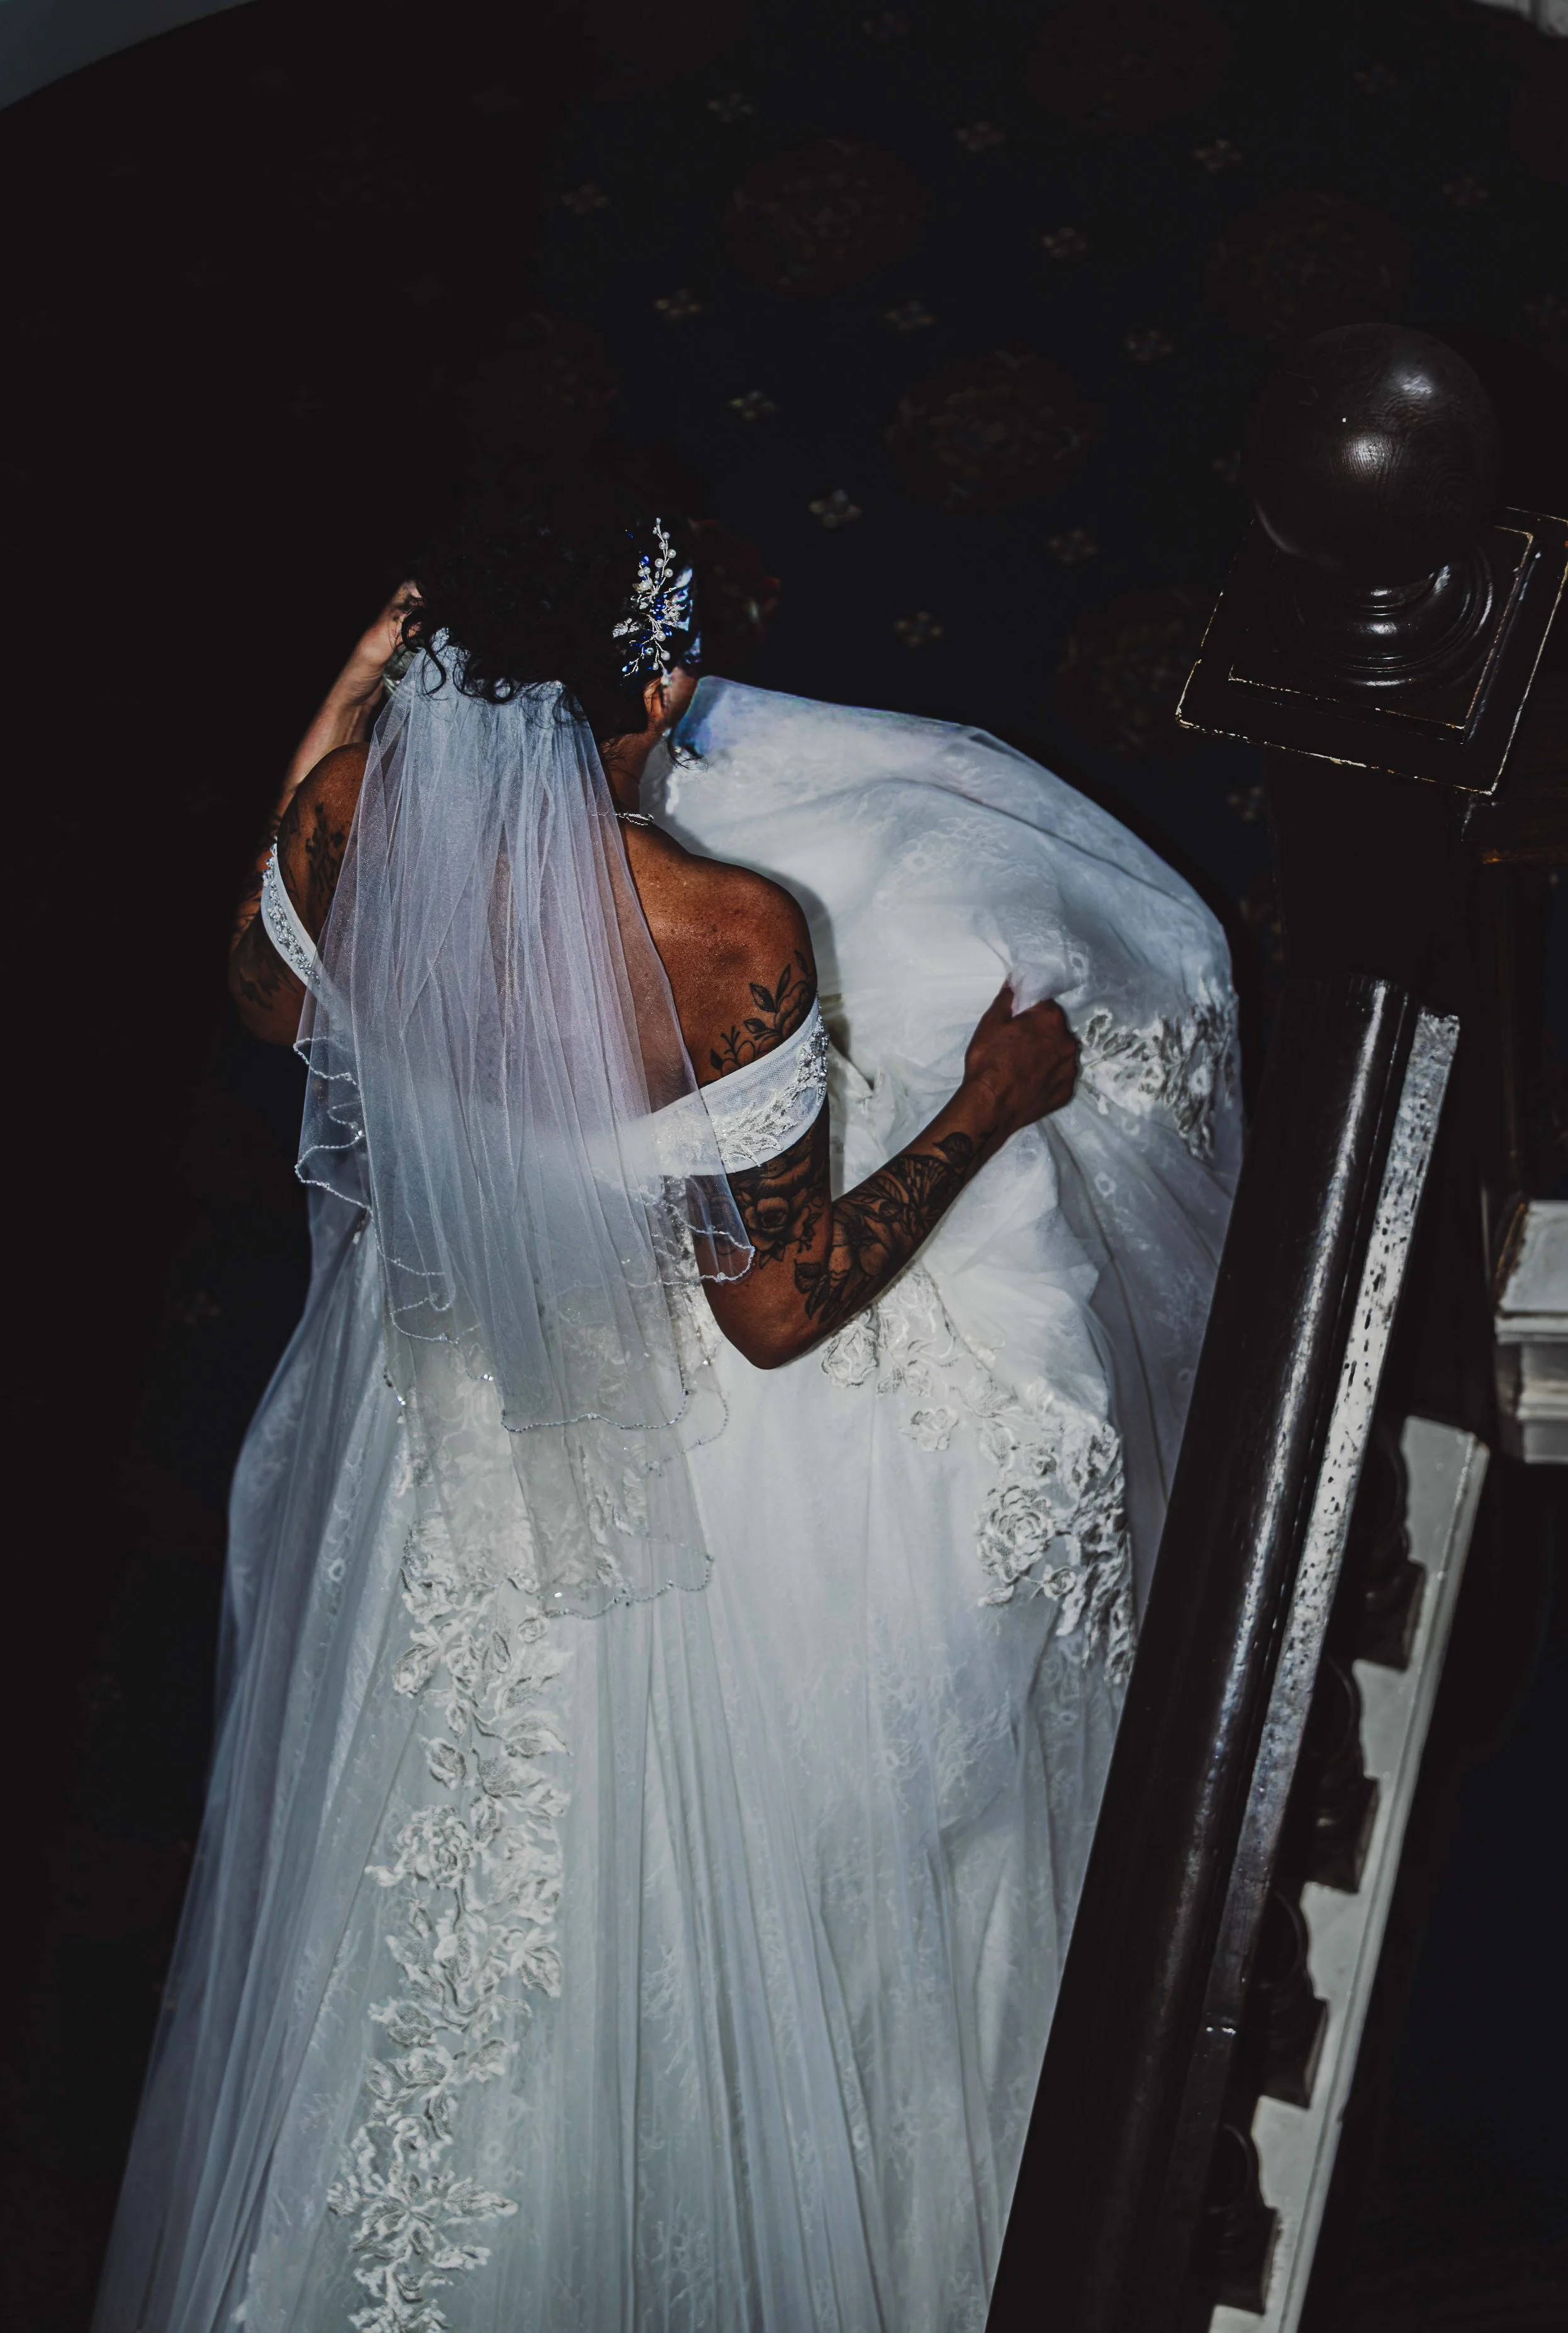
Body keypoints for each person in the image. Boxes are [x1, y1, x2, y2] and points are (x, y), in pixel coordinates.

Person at [94, 492, 1240, 2333]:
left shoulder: (338, 830)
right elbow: (778, 1308)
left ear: (427, 667)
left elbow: (264, 1004)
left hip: (436, 1451)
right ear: (666, 675)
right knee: (684, 1925)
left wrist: (335, 717)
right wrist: (986, 1106)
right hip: (681, 1485)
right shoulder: (720, 928)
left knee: (408, 1926)